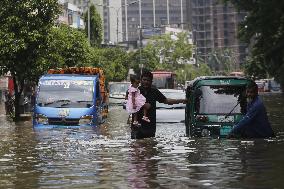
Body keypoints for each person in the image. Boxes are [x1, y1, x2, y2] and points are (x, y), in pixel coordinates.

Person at [130, 70, 187, 139]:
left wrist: (182, 100)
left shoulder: (154, 91)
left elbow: (166, 101)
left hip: (150, 127)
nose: (146, 82)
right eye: (144, 80)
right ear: (141, 80)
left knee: (150, 146)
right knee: (136, 146)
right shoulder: (136, 91)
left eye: (148, 80)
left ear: (151, 82)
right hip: (137, 126)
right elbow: (130, 103)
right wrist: (143, 105)